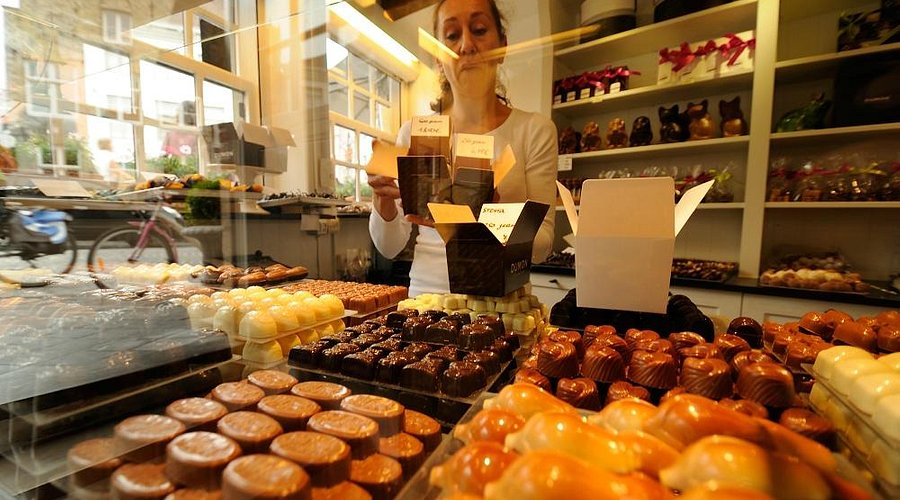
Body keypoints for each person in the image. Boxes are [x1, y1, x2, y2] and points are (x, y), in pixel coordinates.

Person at [368, 0, 558, 297]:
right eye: (453, 35)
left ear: (503, 45)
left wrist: (484, 218)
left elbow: (543, 244)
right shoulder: (413, 134)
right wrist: (383, 203)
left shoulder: (534, 130)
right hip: (426, 304)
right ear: (439, 58)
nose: (467, 45)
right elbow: (389, 247)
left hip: (502, 306)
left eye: (480, 30)